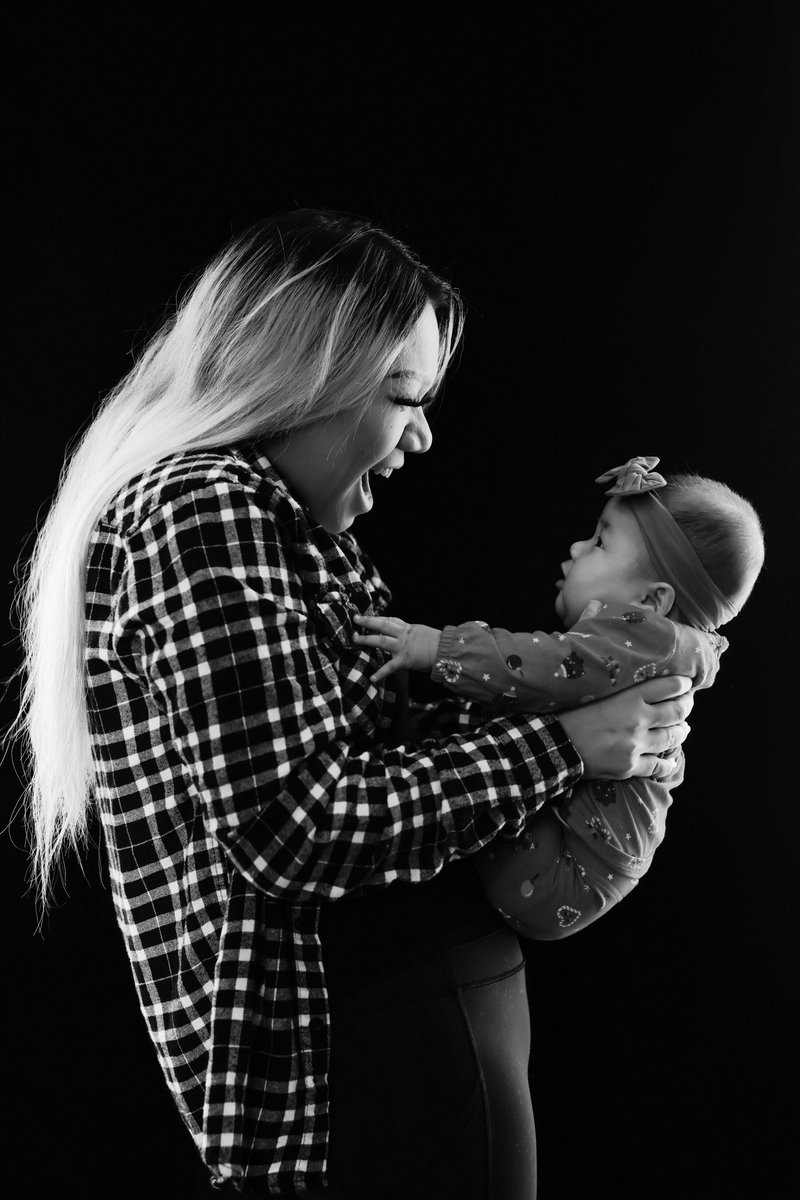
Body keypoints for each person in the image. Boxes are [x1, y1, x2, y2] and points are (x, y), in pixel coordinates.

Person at [7, 211, 695, 1200]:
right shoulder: (205, 509)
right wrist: (563, 747)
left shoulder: (279, 521)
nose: (422, 434)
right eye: (404, 396)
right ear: (305, 380)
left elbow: (375, 751)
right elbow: (295, 830)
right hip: (375, 1042)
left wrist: (598, 712)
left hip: (401, 1024)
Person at [354, 455, 765, 941]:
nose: (576, 548)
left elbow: (540, 667)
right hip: (590, 865)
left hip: (563, 872)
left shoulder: (649, 638)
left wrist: (438, 648)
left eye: (599, 543)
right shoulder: (660, 651)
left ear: (651, 603)